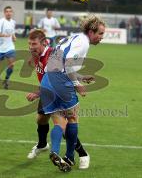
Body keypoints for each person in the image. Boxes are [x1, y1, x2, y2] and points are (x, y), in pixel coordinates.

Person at [40, 15, 105, 172]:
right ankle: (69, 156)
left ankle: (55, 151)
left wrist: (81, 77)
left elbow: (61, 62)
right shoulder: (83, 43)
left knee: (58, 120)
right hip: (61, 81)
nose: (102, 37)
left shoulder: (73, 38)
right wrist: (77, 84)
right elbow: (68, 64)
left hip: (47, 80)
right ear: (91, 32)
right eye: (100, 33)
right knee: (73, 117)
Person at [26, 29, 90, 170]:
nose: (31, 47)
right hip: (47, 90)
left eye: (34, 44)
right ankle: (43, 145)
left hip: (58, 90)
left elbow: (64, 72)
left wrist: (37, 93)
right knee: (41, 119)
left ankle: (82, 154)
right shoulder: (36, 54)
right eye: (29, 44)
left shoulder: (52, 54)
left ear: (44, 43)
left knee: (63, 124)